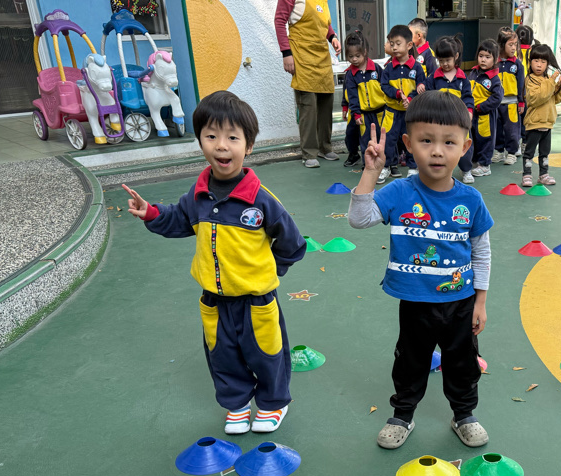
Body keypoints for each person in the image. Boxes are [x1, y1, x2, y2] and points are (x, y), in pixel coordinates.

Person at [123, 91, 306, 435]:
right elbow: (177, 219)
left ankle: (272, 403)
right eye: (211, 136)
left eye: (233, 138)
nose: (221, 146)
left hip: (256, 300)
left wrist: (270, 271)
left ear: (249, 146)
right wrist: (151, 213)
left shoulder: (261, 200)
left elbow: (292, 243)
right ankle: (237, 404)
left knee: (267, 353)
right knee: (222, 355)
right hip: (214, 300)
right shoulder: (197, 197)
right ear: (200, 141)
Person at [347, 91, 494, 450]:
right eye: (426, 141)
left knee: (463, 364)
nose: (437, 151)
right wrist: (371, 173)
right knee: (410, 363)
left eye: (449, 142)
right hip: (415, 303)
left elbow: (481, 252)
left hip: (461, 302)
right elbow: (359, 219)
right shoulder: (399, 191)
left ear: (465, 146)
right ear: (409, 144)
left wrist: (480, 301)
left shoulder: (471, 200)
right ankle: (403, 415)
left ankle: (464, 414)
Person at [276, 0, 342, 168]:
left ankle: (325, 147)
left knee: (327, 102)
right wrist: (286, 53)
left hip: (322, 56)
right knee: (308, 106)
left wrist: (332, 37)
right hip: (301, 54)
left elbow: (324, 23)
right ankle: (309, 153)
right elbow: (279, 21)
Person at [379, 24, 427, 182]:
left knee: (411, 139)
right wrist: (398, 94)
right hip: (391, 112)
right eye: (391, 44)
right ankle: (386, 166)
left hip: (410, 113)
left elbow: (422, 85)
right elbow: (384, 86)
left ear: (409, 45)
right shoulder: (388, 68)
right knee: (388, 139)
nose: (394, 47)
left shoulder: (417, 67)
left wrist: (412, 98)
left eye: (398, 44)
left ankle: (413, 167)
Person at [426, 35, 475, 184]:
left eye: (448, 60)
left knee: (463, 145)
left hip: (459, 120)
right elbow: (428, 96)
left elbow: (468, 97)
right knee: (441, 147)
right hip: (440, 121)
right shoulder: (433, 78)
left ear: (456, 56)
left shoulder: (463, 78)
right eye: (441, 61)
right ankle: (442, 172)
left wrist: (469, 112)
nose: (444, 64)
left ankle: (466, 170)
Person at [522, 43, 561, 187]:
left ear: (548, 64)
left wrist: (560, 84)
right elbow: (537, 98)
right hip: (534, 123)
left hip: (547, 122)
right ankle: (526, 175)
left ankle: (543, 175)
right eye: (536, 61)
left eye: (543, 61)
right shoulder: (530, 79)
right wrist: (551, 82)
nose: (539, 65)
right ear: (530, 62)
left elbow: (556, 99)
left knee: (545, 152)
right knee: (529, 152)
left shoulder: (547, 80)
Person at [342, 31, 386, 168]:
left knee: (380, 135)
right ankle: (360, 158)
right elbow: (350, 94)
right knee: (358, 136)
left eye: (357, 56)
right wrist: (348, 109)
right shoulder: (350, 74)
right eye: (350, 56)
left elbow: (385, 86)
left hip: (379, 111)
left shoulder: (376, 69)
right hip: (360, 112)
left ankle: (385, 160)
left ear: (365, 52)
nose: (354, 59)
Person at [469, 40, 503, 177]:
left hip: (485, 115)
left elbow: (497, 97)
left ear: (495, 59)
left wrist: (482, 106)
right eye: (481, 56)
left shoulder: (494, 79)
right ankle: (475, 160)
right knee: (473, 137)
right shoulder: (473, 72)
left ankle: (485, 165)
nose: (483, 60)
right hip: (472, 113)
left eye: (487, 57)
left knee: (485, 138)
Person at [493, 27, 524, 165]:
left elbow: (521, 84)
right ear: (501, 45)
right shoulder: (494, 63)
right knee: (497, 129)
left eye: (515, 44)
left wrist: (521, 102)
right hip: (496, 103)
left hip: (512, 103)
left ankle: (512, 153)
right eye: (510, 44)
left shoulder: (517, 64)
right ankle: (499, 151)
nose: (514, 48)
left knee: (512, 129)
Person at [516, 24, 534, 153]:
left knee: (516, 118)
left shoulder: (513, 53)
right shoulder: (533, 52)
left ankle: (517, 143)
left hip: (517, 90)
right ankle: (524, 142)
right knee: (526, 119)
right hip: (528, 90)